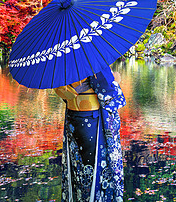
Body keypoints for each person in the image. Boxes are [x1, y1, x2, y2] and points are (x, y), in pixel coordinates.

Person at [54, 66, 126, 202]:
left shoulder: (62, 60)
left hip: (73, 118)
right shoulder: (91, 59)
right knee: (95, 167)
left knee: (78, 168)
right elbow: (107, 91)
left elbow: (64, 93)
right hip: (91, 119)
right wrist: (116, 80)